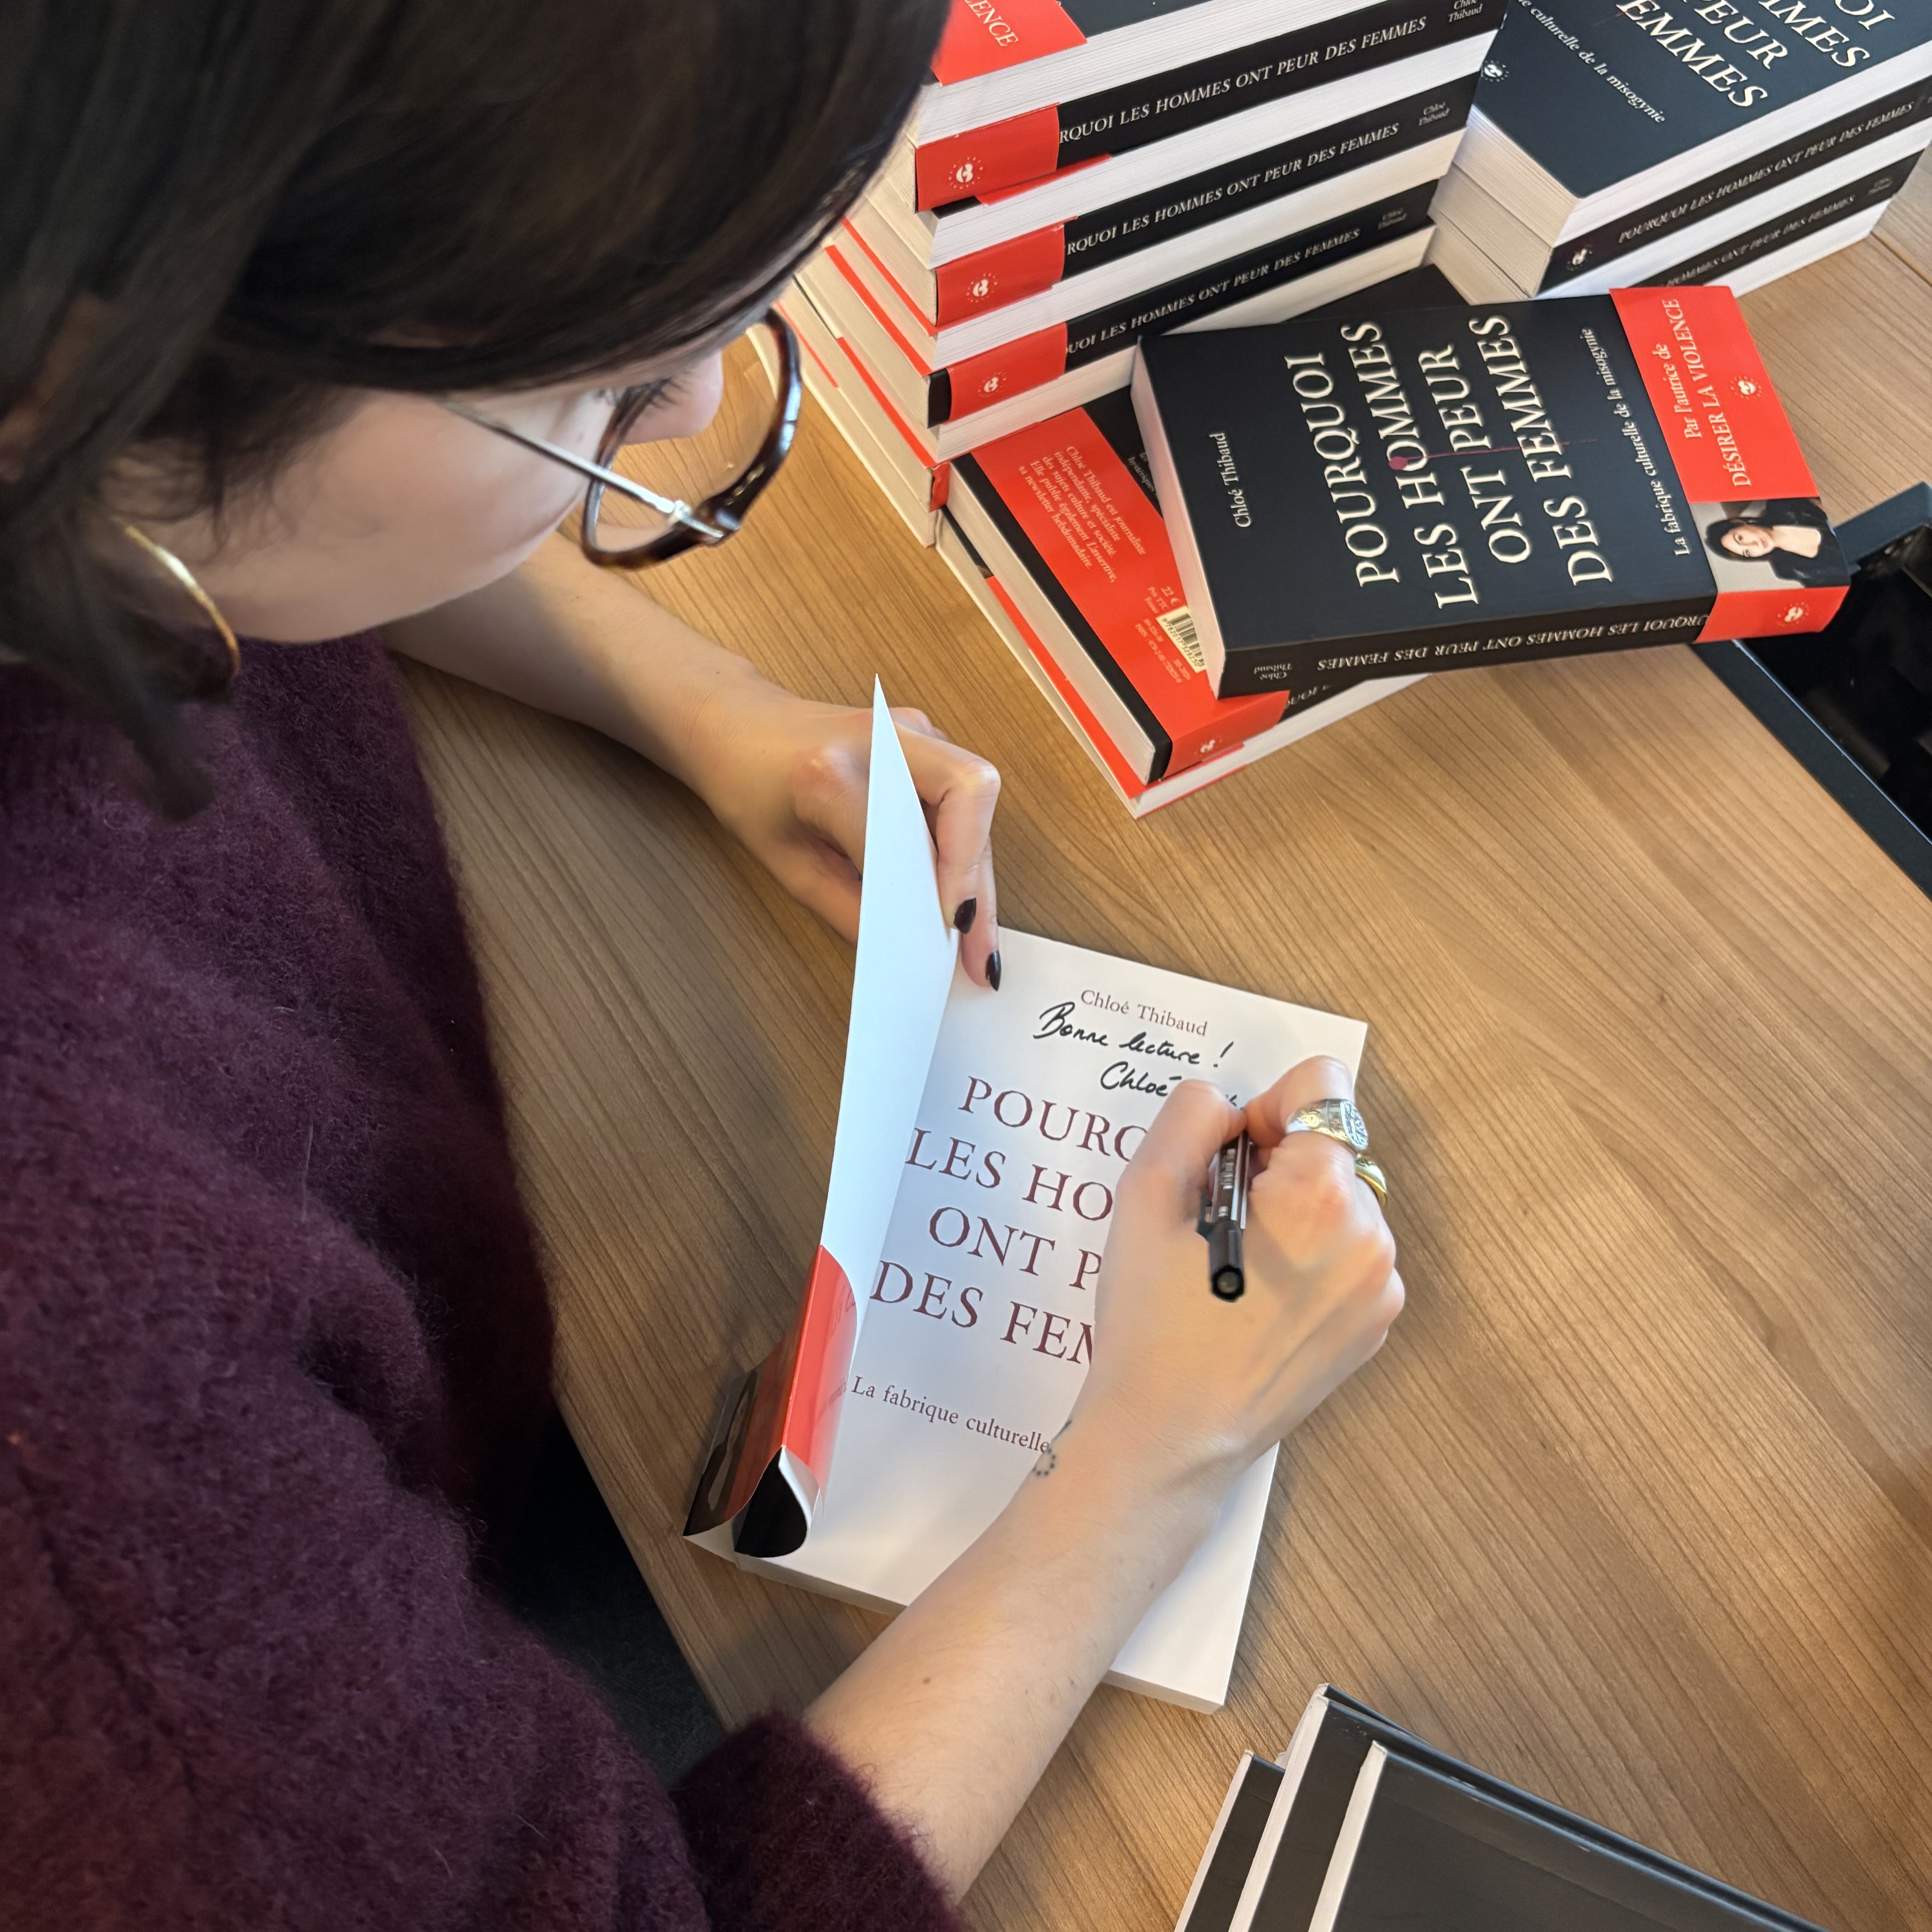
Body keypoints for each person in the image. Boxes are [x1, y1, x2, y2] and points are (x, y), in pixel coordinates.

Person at [0, 5, 1403, 1928]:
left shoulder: (84, 383)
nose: (664, 429)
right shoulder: (86, 1454)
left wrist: (700, 695)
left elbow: (238, 493)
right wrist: (1144, 1468)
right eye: (590, 396)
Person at [1703, 499, 1848, 588]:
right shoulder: (1787, 570)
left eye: (1740, 538)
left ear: (1741, 523)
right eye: (1747, 553)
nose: (1754, 546)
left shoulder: (1783, 506)